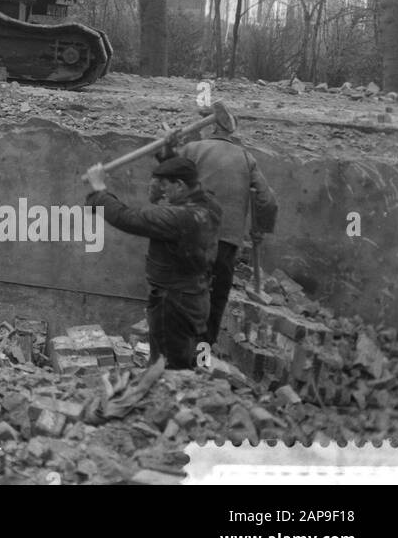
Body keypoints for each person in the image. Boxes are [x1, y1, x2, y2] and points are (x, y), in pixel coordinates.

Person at [83, 157, 221, 370]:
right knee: (192, 358)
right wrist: (167, 157)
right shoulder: (210, 207)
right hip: (198, 298)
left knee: (167, 368)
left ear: (180, 185)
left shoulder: (178, 218)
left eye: (165, 186)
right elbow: (181, 175)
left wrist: (99, 190)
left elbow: (126, 218)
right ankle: (196, 381)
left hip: (173, 304)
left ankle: (171, 388)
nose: (162, 192)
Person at [165, 117, 277, 346]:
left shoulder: (192, 149)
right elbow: (267, 200)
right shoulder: (246, 157)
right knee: (216, 300)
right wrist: (260, 229)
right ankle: (203, 354)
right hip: (226, 242)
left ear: (212, 127)